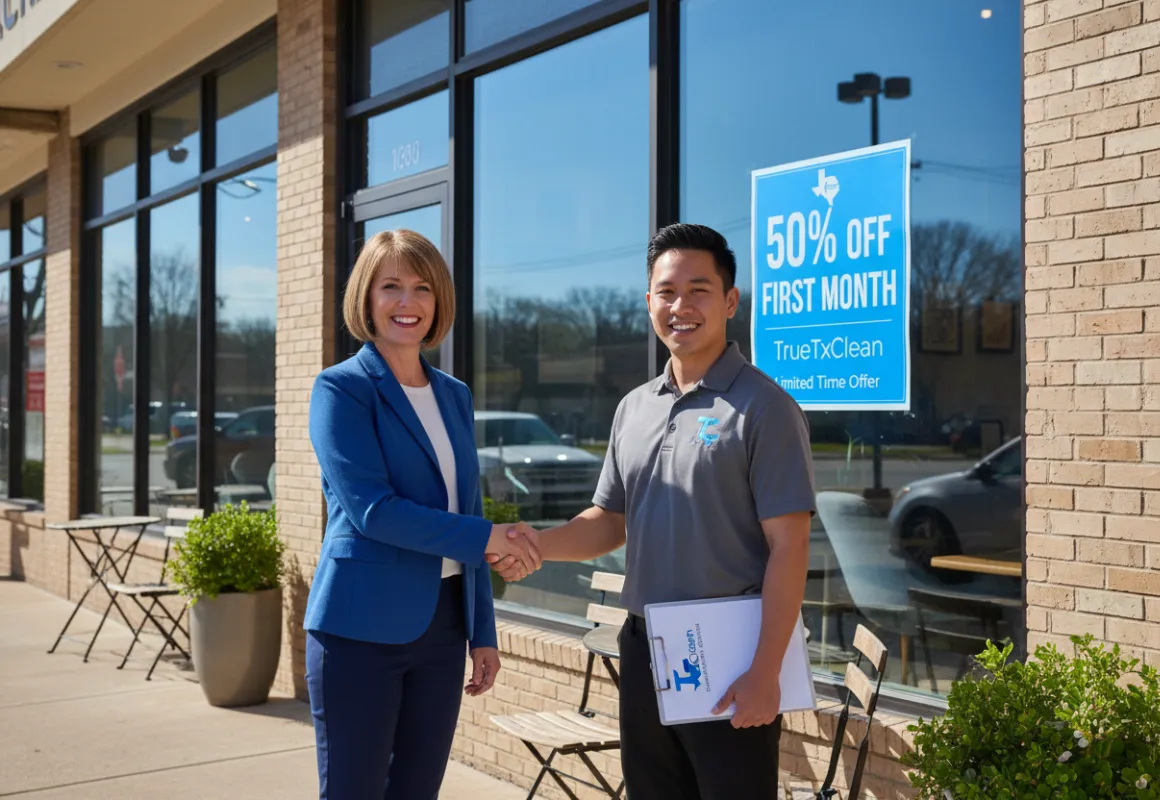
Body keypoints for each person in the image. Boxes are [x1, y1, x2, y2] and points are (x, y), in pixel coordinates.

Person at [491, 223, 816, 799]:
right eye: (666, 292)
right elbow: (609, 522)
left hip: (730, 656)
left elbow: (789, 548)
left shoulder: (765, 408)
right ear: (648, 302)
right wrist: (534, 543)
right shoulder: (634, 408)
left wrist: (765, 672)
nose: (680, 306)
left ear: (730, 301)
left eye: (698, 291)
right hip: (645, 647)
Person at [305, 228, 540, 800]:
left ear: (439, 302)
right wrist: (490, 537)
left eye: (422, 288)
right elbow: (374, 511)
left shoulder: (454, 394)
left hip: (443, 628)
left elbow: (467, 507)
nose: (406, 302)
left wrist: (482, 631)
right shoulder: (341, 390)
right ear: (367, 297)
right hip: (359, 630)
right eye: (391, 286)